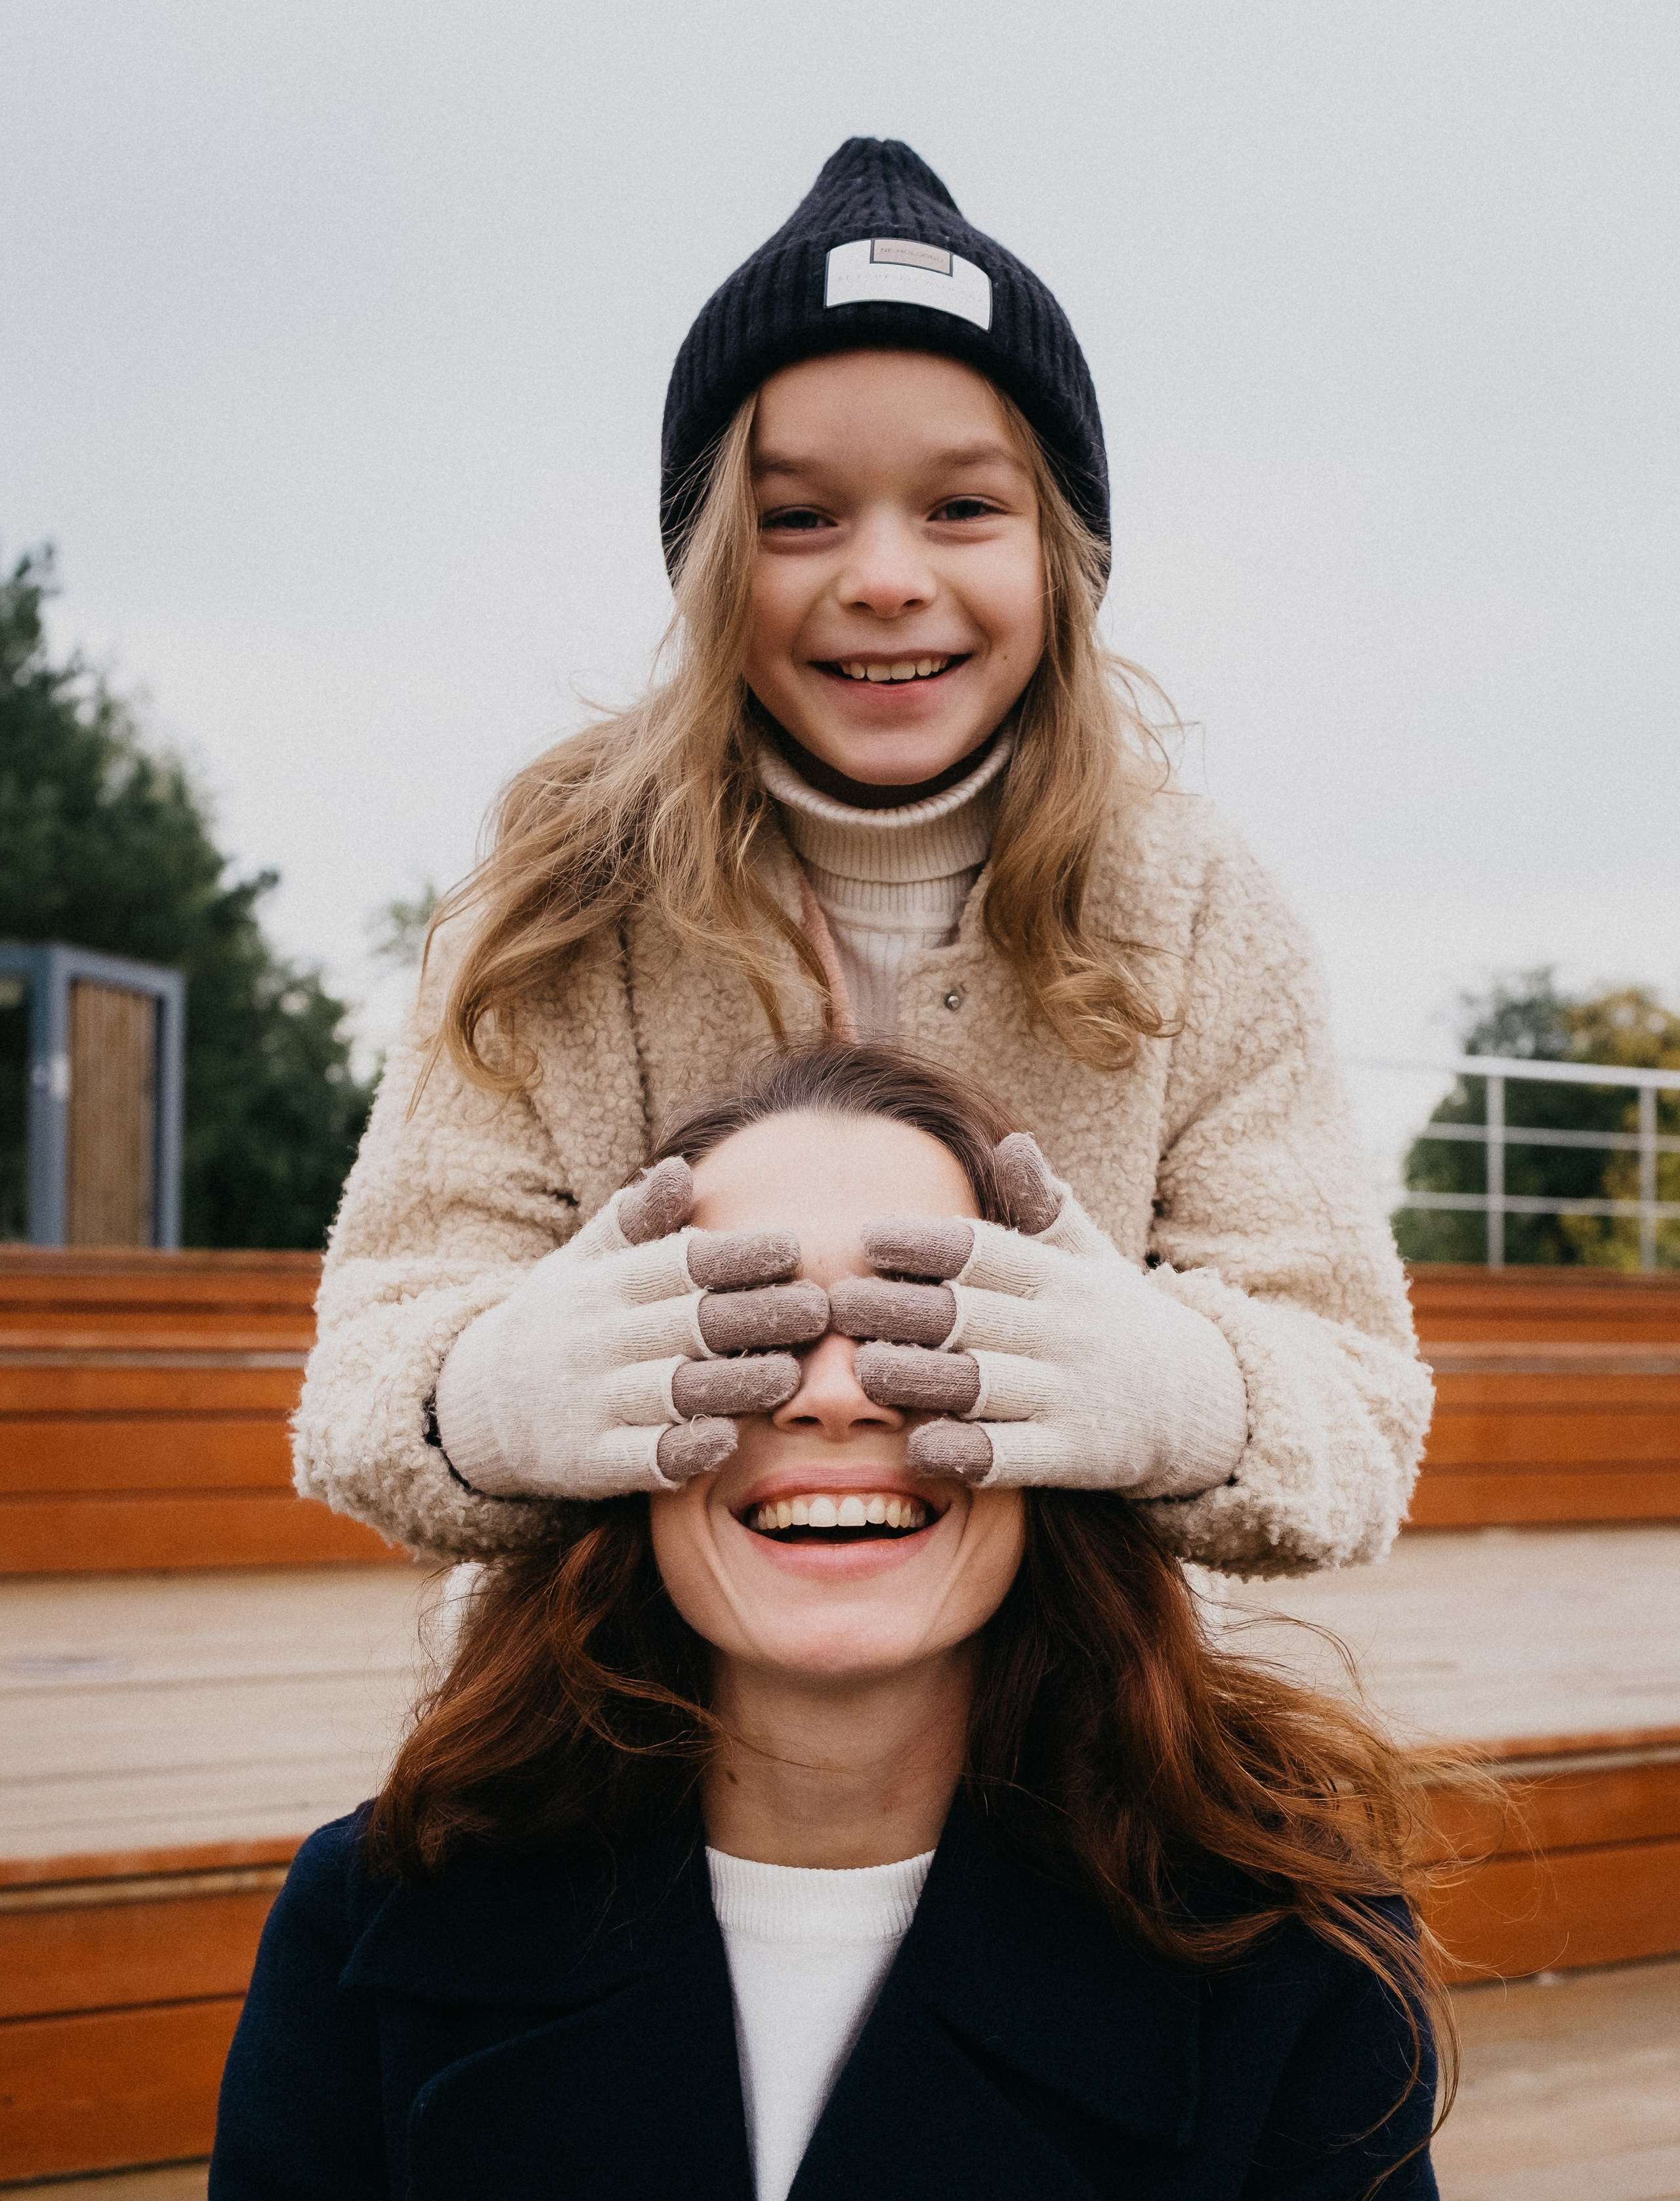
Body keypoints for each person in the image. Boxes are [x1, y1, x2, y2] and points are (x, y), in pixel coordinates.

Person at [142, 1045, 1443, 2201]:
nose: (833, 1397)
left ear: (1078, 1402)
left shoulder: (1291, 1976)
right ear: (599, 1412)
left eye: (918, 1317)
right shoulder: (375, 1925)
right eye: (742, 1318)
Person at [292, 136, 1432, 1582]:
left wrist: (1177, 1391)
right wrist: (490, 1395)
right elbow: (364, 1385)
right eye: (798, 517)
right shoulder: (561, 893)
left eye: (961, 506)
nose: (885, 576)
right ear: (709, 558)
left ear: (1059, 554)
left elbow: (1355, 1413)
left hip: (1090, 1739)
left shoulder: (1199, 900)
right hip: (614, 1729)